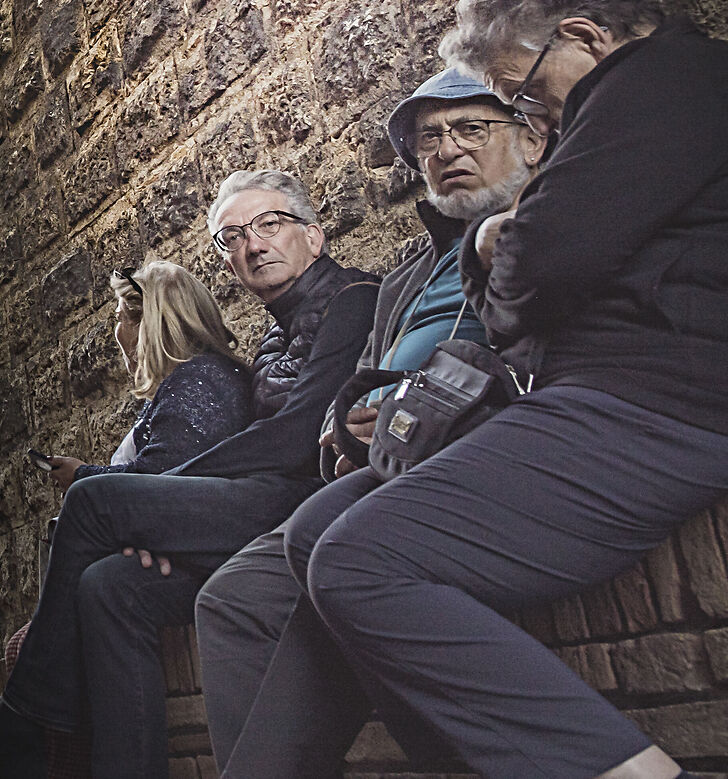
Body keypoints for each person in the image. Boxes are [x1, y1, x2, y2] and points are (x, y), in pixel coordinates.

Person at [291, 0, 728, 779]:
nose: (533, 117)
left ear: (583, 37)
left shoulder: (659, 80)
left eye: (520, 94)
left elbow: (540, 267)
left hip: (656, 403)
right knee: (317, 531)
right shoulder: (625, 102)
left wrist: (493, 241)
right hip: (600, 397)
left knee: (358, 560)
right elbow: (518, 305)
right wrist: (512, 257)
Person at [0, 170, 377, 779]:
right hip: (259, 516)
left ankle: (17, 731)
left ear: (315, 236)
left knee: (95, 502)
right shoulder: (273, 337)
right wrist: (162, 525)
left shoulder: (352, 299)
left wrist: (155, 502)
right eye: (232, 237)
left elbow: (294, 435)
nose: (253, 245)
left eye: (269, 225)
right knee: (110, 588)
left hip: (303, 506)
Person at [196, 68, 545, 776]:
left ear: (532, 139)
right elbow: (360, 379)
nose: (446, 148)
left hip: (476, 447)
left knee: (327, 543)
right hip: (382, 459)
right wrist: (350, 425)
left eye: (471, 128)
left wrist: (414, 406)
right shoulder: (410, 268)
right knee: (232, 597)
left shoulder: (549, 223)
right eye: (428, 139)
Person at [40, 261, 251, 487]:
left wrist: (82, 475)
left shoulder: (194, 383)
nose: (116, 331)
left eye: (119, 318)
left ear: (147, 324)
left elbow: (159, 475)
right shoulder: (197, 378)